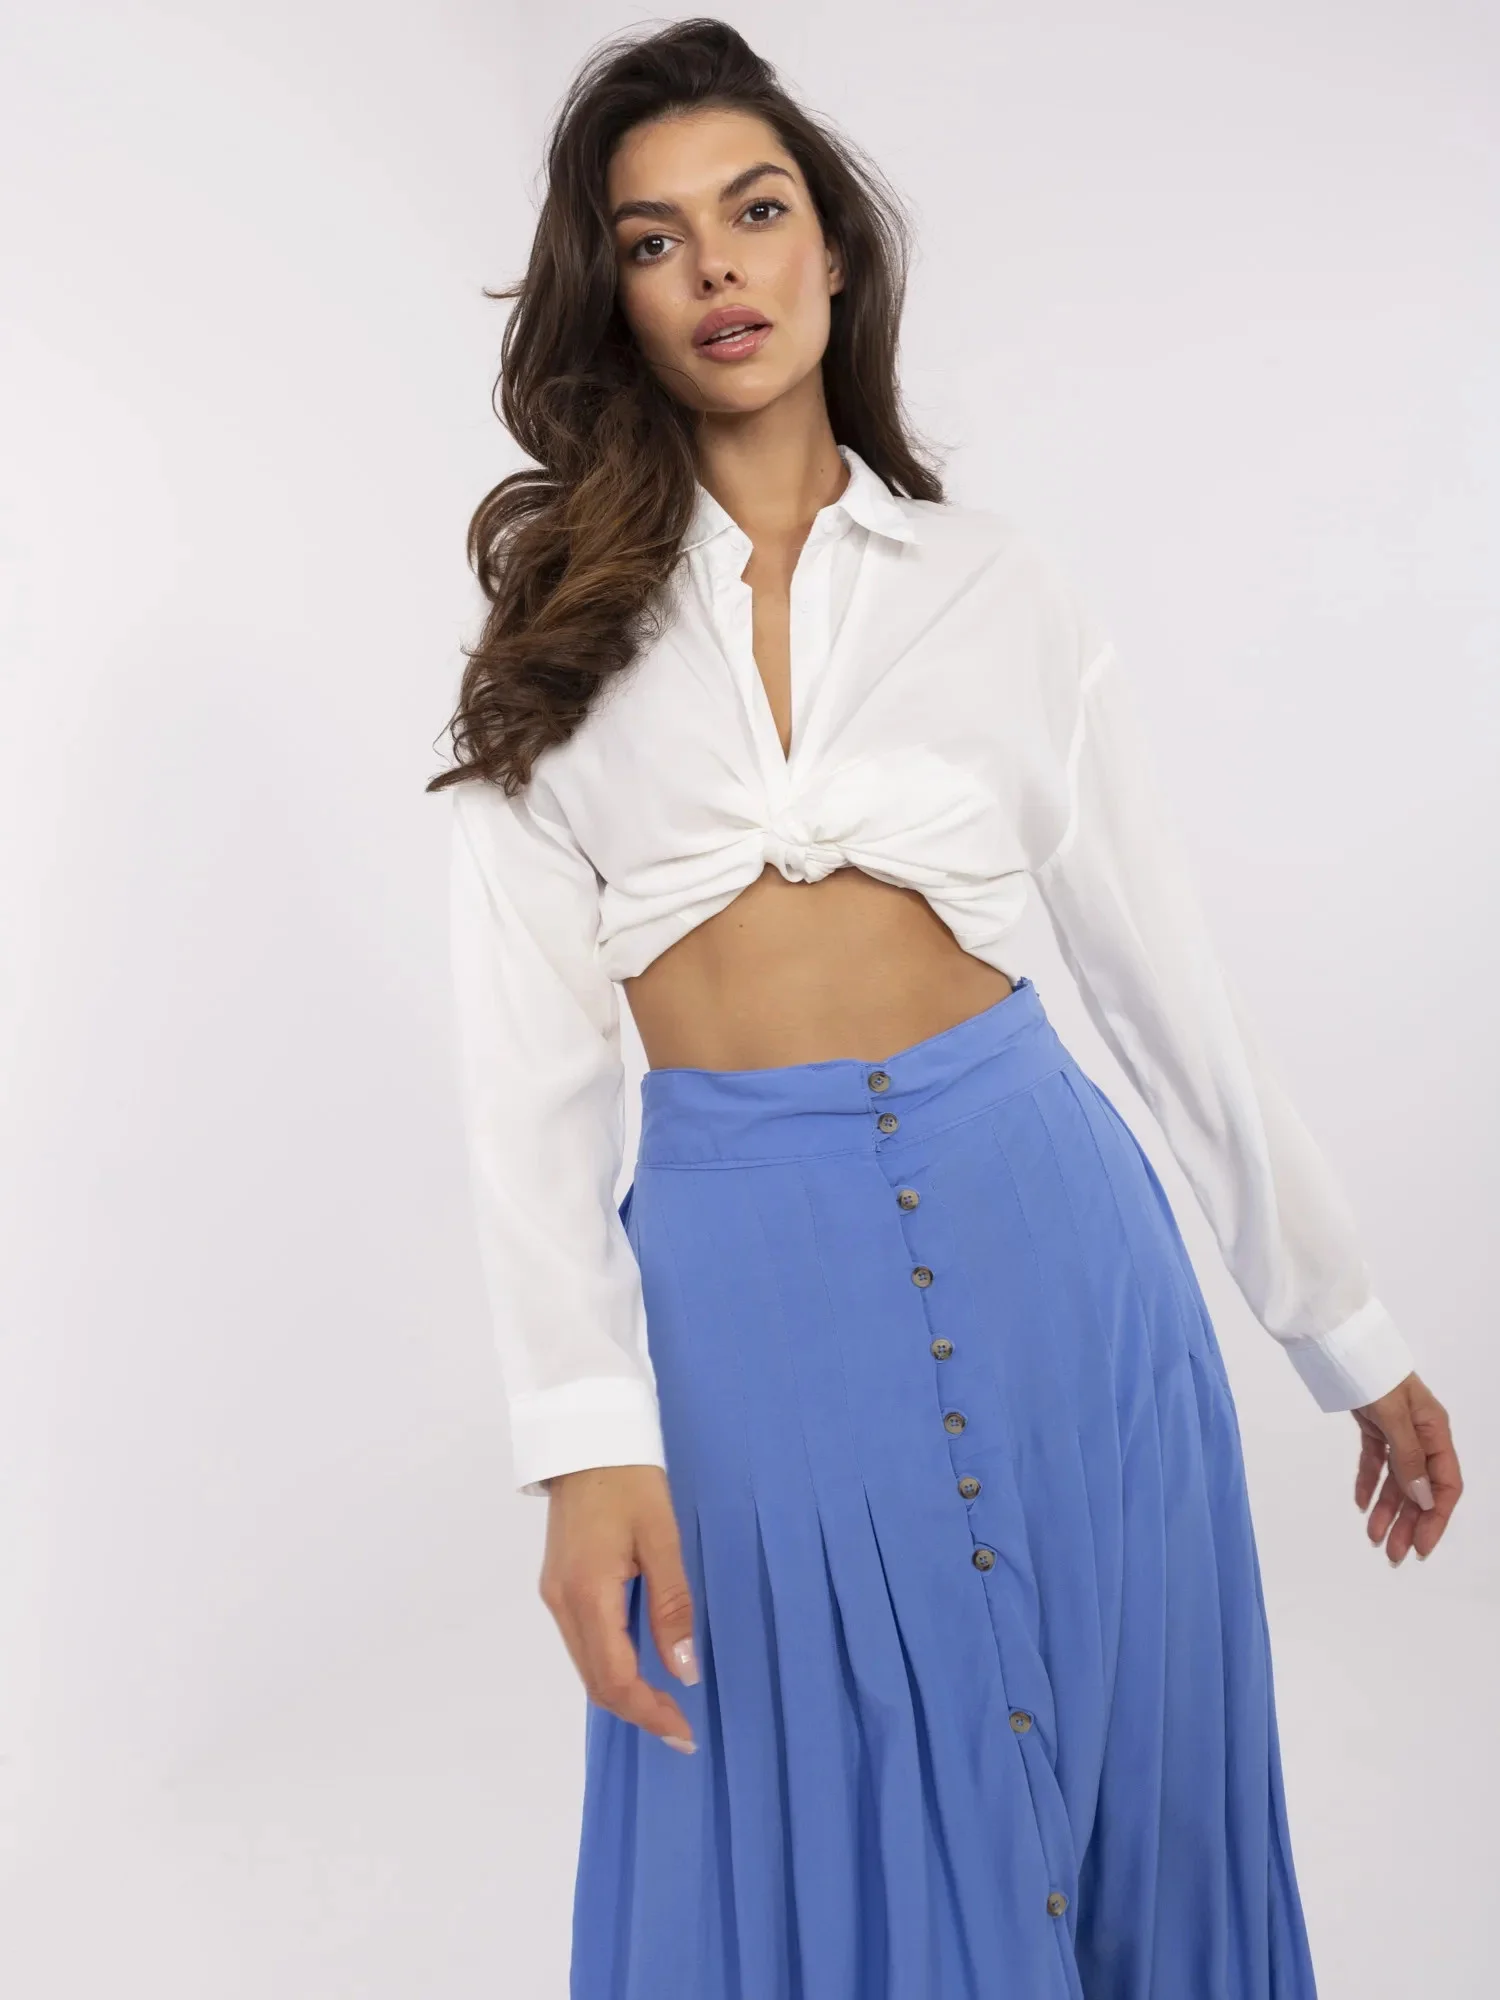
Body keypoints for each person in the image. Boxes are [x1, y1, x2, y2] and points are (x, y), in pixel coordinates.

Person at [428, 19, 1463, 1997]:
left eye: (757, 211)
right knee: (800, 1815)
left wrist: (1345, 1330)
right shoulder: (551, 639)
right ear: (613, 298)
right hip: (748, 1306)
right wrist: (582, 1444)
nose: (718, 266)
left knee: (1129, 1805)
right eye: (654, 240)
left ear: (833, 251)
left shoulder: (1000, 592)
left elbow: (1166, 991)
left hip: (1058, 1254)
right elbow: (527, 1085)